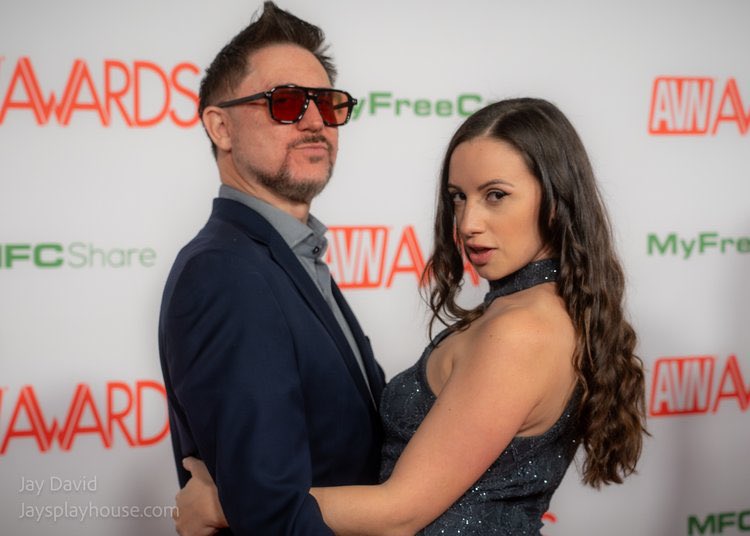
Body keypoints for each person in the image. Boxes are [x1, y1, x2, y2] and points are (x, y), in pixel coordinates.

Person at [174, 98, 649, 535]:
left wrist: (224, 506)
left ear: (556, 199)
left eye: (496, 195)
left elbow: (399, 512)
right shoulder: (526, 311)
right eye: (458, 196)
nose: (468, 223)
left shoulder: (520, 330)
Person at [158, 2, 386, 534]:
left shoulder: (289, 258)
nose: (315, 121)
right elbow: (272, 516)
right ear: (221, 127)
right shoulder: (225, 274)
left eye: (327, 103)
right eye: (285, 102)